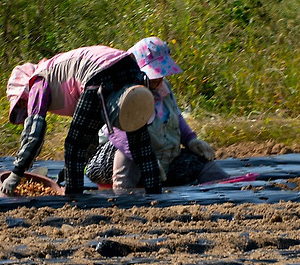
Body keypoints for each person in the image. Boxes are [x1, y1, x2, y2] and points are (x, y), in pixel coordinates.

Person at [3, 45, 163, 197]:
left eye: (23, 102)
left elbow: (34, 133)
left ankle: (74, 200)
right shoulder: (58, 73)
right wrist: (70, 169)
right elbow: (89, 129)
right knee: (139, 144)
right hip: (129, 67)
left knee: (74, 146)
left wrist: (17, 173)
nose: (25, 106)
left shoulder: (38, 82)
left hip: (101, 74)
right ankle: (155, 194)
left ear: (24, 90)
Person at [86, 37, 225, 191]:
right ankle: (123, 195)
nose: (158, 78)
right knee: (125, 155)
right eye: (153, 74)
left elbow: (176, 116)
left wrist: (191, 140)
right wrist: (145, 159)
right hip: (120, 160)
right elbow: (119, 135)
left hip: (163, 161)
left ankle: (226, 185)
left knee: (203, 163)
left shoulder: (164, 87)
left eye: (161, 74)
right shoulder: (125, 92)